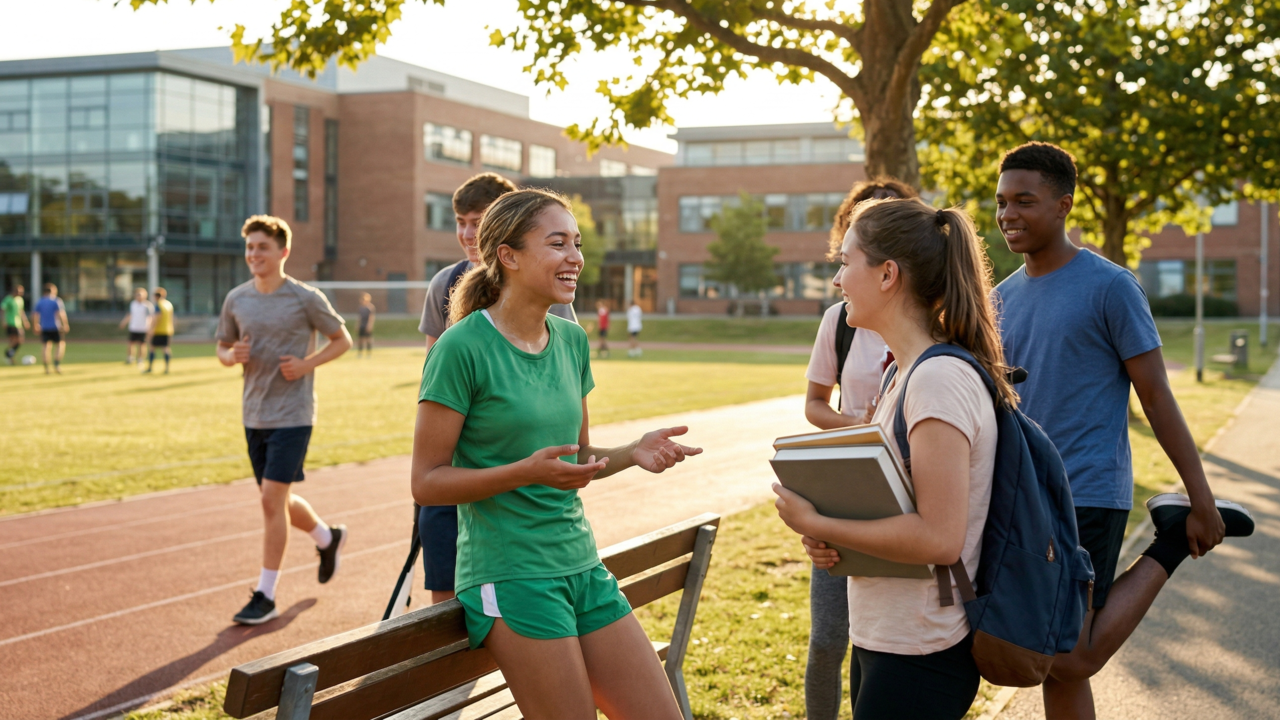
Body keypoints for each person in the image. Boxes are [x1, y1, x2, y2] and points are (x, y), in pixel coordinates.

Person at [411, 189, 700, 719]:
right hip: (510, 574)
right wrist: (521, 473)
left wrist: (633, 452)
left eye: (577, 243)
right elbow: (426, 482)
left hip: (582, 565)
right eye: (558, 243)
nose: (575, 258)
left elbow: (579, 457)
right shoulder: (460, 348)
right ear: (509, 256)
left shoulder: (571, 341)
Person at [992, 142, 1253, 720]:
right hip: (1020, 497)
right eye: (1001, 201)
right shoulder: (998, 300)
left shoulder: (1110, 287)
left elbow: (1156, 396)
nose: (1008, 214)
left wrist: (1203, 498)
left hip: (1086, 490)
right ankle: (1172, 531)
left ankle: (1169, 541)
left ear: (1063, 205)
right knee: (1051, 662)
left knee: (1070, 657)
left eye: (1024, 201)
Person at [775, 198, 1007, 719]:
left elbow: (939, 539)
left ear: (886, 275)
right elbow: (897, 505)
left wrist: (817, 519)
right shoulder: (902, 374)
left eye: (845, 262)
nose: (837, 280)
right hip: (885, 637)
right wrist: (831, 536)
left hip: (921, 648)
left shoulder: (937, 380)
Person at [416, 172, 576, 606]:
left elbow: (559, 389)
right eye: (460, 221)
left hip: (530, 514)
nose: (468, 233)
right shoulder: (447, 295)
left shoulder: (559, 313)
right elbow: (435, 378)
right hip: (459, 472)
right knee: (448, 613)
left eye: (478, 220)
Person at [801, 177, 916, 720]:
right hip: (852, 486)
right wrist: (857, 426)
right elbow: (814, 405)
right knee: (829, 637)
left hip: (912, 496)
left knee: (881, 645)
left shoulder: (930, 331)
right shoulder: (841, 321)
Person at [216, 215, 353, 625]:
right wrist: (231, 357)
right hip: (253, 414)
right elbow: (222, 348)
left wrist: (306, 364)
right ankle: (328, 538)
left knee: (270, 500)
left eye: (262, 247)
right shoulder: (237, 299)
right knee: (278, 500)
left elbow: (342, 339)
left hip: (293, 415)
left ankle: (266, 594)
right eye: (250, 248)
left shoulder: (304, 297)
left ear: (283, 252)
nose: (254, 255)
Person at [33, 284, 68, 375]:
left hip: (44, 327)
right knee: (60, 345)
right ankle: (56, 364)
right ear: (53, 291)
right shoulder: (56, 300)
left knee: (45, 346)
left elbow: (36, 314)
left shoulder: (40, 301)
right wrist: (65, 324)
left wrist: (36, 325)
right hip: (55, 327)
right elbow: (61, 313)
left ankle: (46, 368)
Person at [118, 288, 154, 365]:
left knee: (142, 344)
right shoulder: (133, 304)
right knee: (131, 343)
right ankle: (130, 358)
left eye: (140, 295)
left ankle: (140, 359)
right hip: (133, 327)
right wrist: (124, 322)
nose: (138, 297)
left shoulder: (147, 305)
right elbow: (129, 314)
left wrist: (149, 327)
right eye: (137, 295)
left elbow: (150, 317)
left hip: (143, 328)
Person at [144, 287, 175, 374]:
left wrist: (151, 329)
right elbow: (172, 317)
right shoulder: (169, 304)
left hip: (158, 330)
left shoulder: (158, 305)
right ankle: (167, 368)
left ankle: (150, 367)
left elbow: (157, 318)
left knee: (152, 348)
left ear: (156, 296)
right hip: (168, 330)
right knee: (166, 348)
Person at [3, 284, 29, 365]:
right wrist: (4, 320)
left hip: (18, 323)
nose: (20, 293)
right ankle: (8, 356)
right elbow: (3, 310)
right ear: (14, 291)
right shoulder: (8, 299)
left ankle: (8, 355)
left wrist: (25, 321)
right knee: (15, 340)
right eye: (19, 291)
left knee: (18, 341)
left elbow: (21, 311)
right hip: (10, 322)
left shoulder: (20, 300)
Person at [356, 293, 376, 357]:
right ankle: (360, 353)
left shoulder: (370, 307)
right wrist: (357, 325)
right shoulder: (361, 308)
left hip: (366, 325)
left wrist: (369, 325)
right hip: (362, 325)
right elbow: (359, 317)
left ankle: (368, 353)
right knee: (360, 340)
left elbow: (371, 318)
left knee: (368, 340)